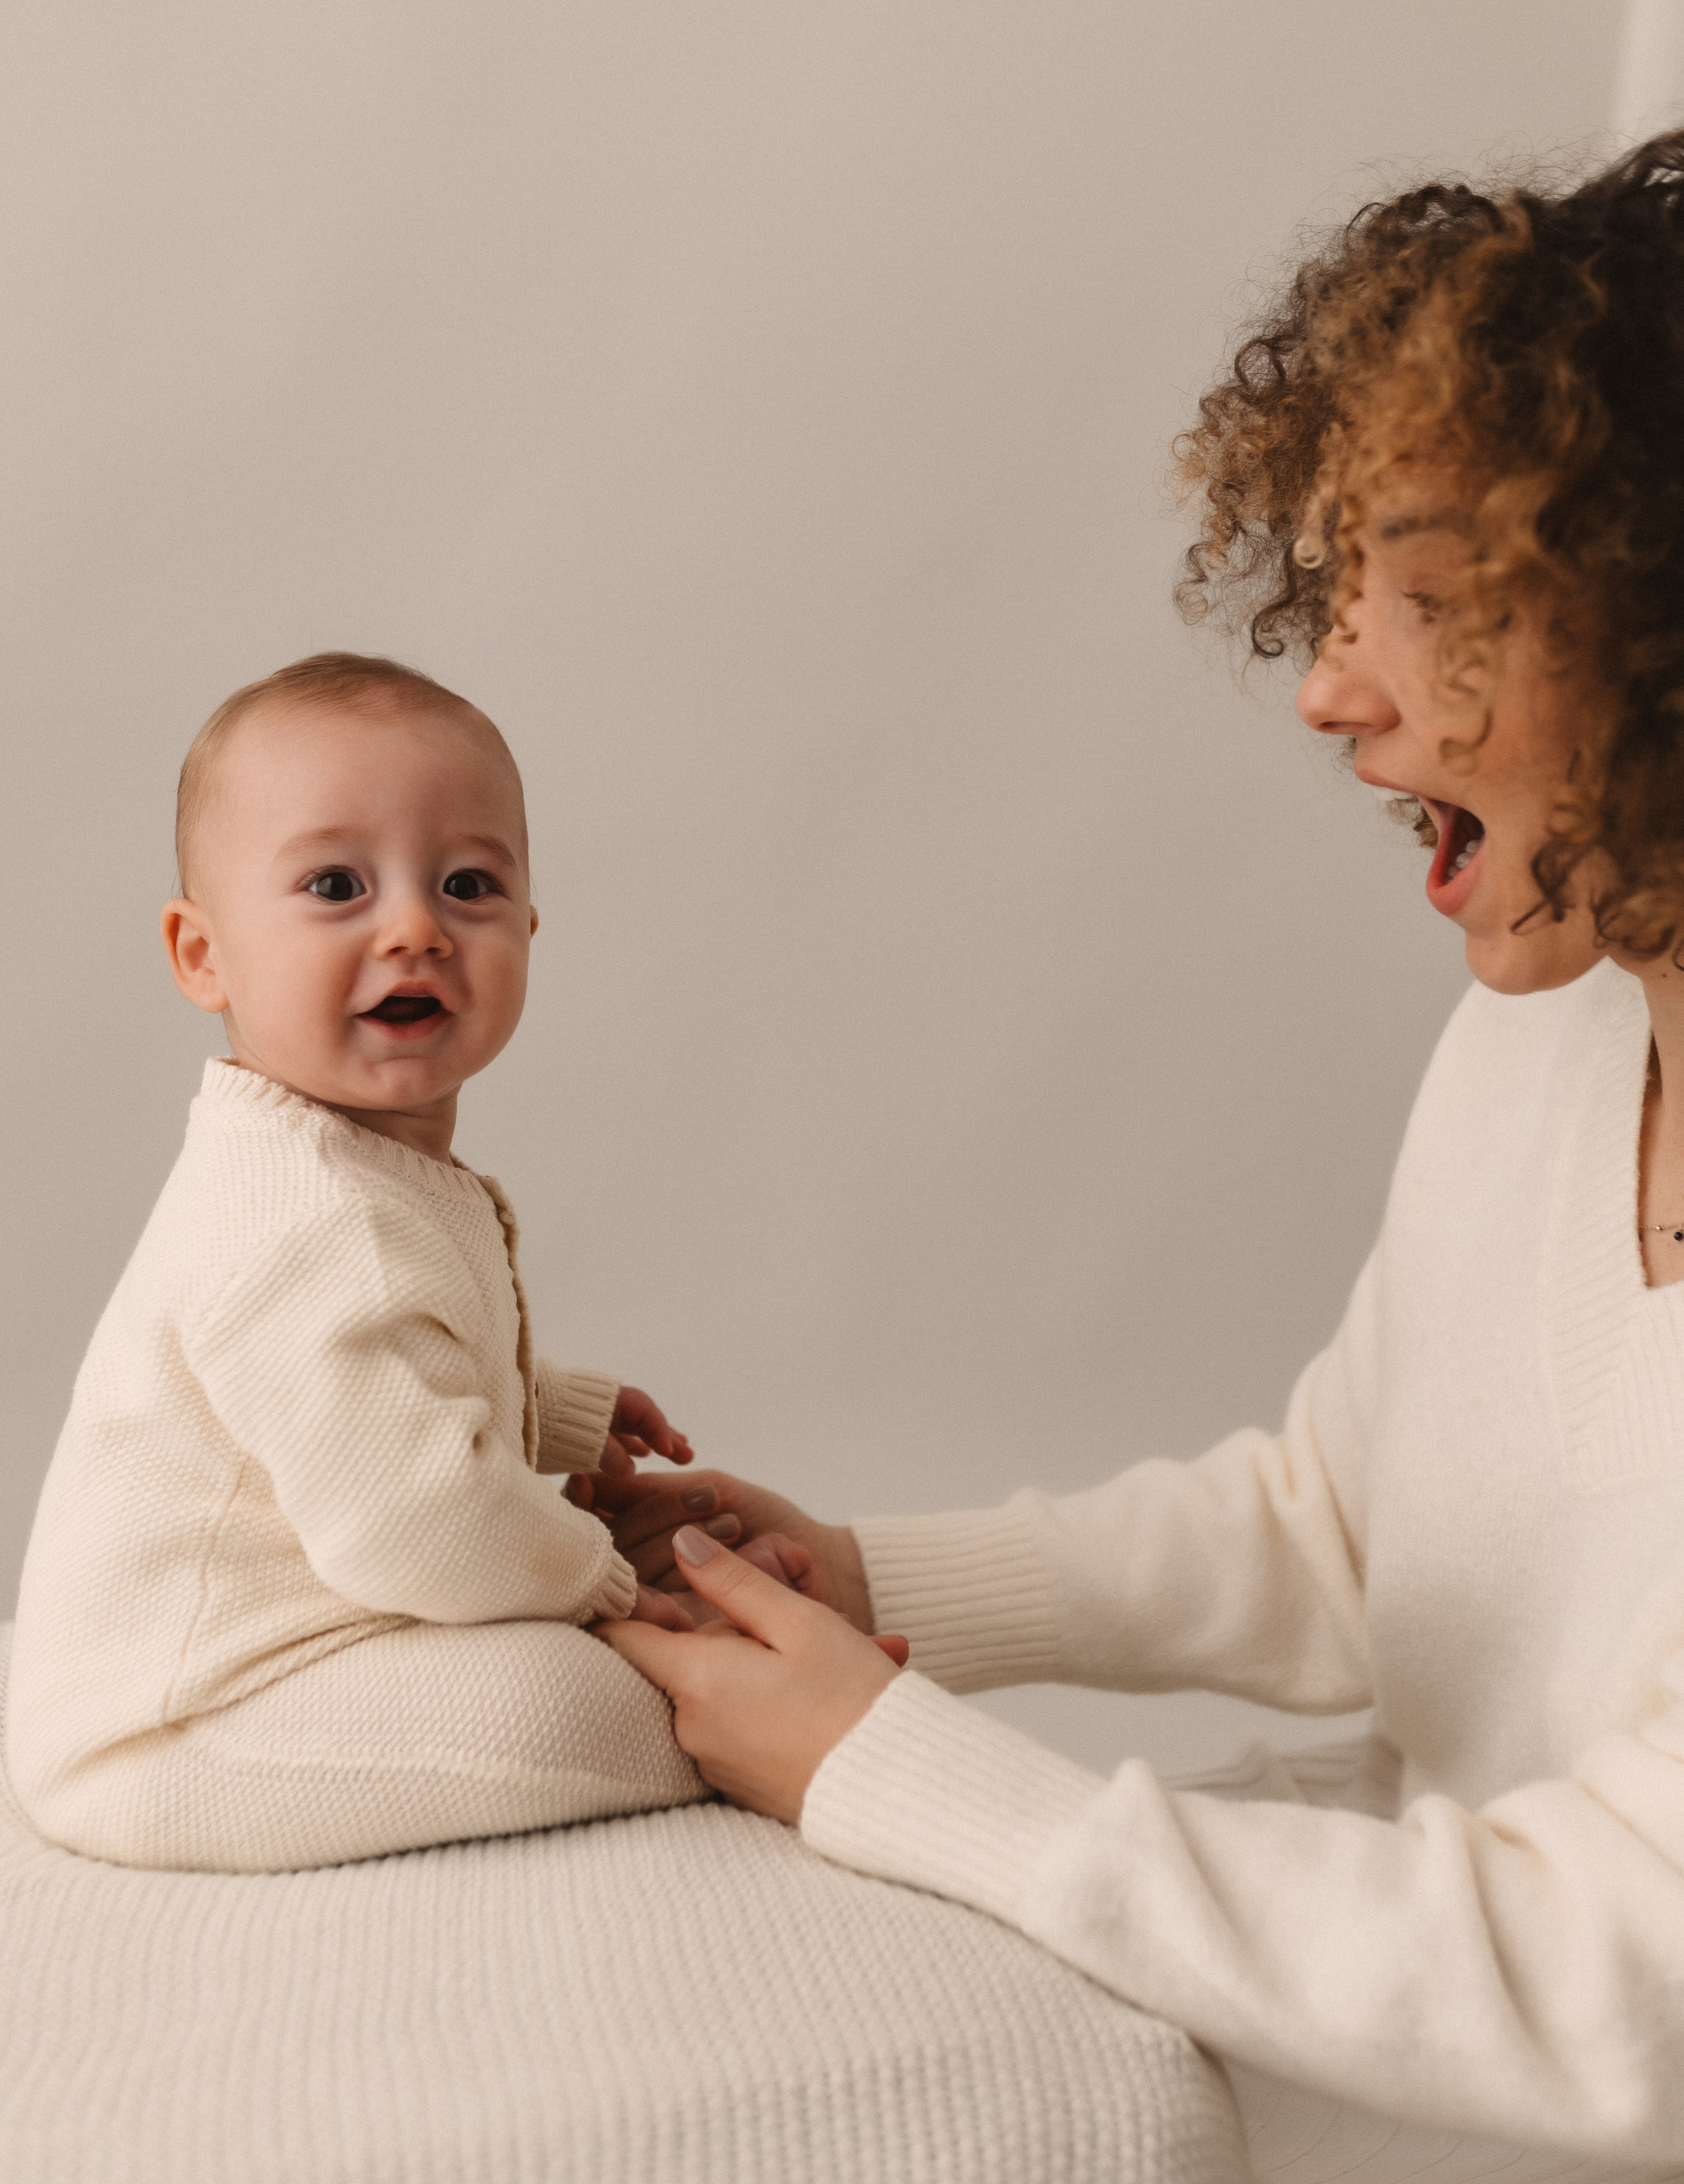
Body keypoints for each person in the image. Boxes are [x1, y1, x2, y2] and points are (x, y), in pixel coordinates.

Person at [591, 134, 1684, 2174]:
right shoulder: (1538, 1054)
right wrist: (868, 1582)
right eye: (1339, 589)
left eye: (1435, 606)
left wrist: (900, 1769)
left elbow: (1625, 1985)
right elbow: (1356, 1537)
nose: (1330, 691)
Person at [5, 652, 807, 1872]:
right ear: (201, 954)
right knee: (561, 1700)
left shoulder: (349, 1169)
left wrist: (557, 1420)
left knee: (543, 1632)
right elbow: (419, 1528)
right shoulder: (297, 1219)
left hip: (302, 1642)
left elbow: (399, 1377)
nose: (416, 928)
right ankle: (767, 1724)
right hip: (175, 1731)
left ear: (528, 931)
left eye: (468, 884)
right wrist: (604, 1588)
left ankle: (731, 1665)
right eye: (337, 884)